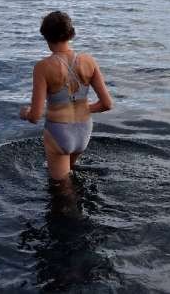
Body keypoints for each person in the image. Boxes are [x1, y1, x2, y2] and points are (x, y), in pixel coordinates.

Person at [20, 11, 113, 180]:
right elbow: (107, 104)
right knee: (70, 175)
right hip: (84, 130)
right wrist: (84, 108)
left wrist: (25, 113)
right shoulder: (89, 61)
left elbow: (35, 116)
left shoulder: (43, 67)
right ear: (71, 33)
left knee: (61, 187)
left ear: (45, 36)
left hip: (59, 131)